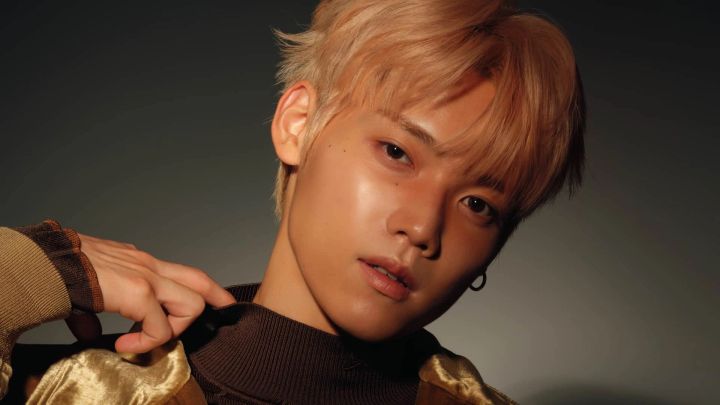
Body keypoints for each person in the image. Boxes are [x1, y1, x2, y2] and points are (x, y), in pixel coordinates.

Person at [0, 0, 585, 403]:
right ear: (298, 123)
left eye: (479, 205)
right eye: (397, 153)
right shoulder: (75, 392)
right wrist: (26, 269)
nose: (422, 227)